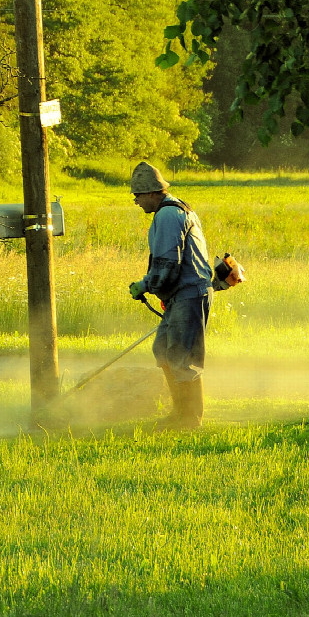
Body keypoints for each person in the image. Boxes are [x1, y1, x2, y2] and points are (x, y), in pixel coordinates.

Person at [127, 162, 213, 430]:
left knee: (182, 358)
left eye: (137, 196)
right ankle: (179, 414)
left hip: (188, 294)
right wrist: (149, 284)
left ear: (152, 192)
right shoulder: (177, 209)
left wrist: (146, 285)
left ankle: (190, 419)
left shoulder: (166, 215)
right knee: (164, 351)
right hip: (182, 294)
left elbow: (166, 263)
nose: (136, 202)